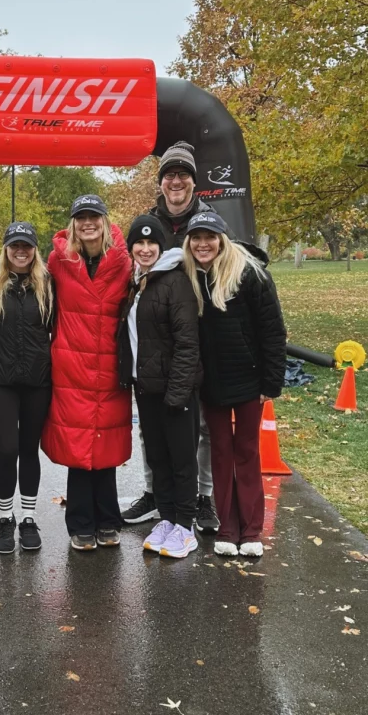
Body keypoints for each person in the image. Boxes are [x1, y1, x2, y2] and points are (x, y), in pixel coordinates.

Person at [121, 141, 219, 534]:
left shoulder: (210, 220)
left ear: (193, 181)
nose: (175, 181)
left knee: (201, 427)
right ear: (161, 182)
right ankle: (155, 495)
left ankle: (202, 498)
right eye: (169, 175)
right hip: (160, 342)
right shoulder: (151, 223)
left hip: (206, 331)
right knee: (154, 432)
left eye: (183, 175)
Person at [183, 212, 287, 557]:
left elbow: (273, 331)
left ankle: (252, 529)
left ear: (221, 240)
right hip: (212, 382)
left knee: (247, 450)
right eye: (196, 238)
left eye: (209, 237)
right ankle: (227, 528)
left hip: (249, 378)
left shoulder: (250, 274)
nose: (203, 244)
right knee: (220, 452)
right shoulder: (188, 276)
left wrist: (271, 381)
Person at [42, 194, 132, 551]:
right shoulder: (58, 261)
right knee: (78, 446)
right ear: (73, 224)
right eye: (81, 217)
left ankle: (108, 519)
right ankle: (80, 522)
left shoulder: (124, 262)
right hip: (72, 366)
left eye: (94, 216)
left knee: (105, 443)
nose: (88, 223)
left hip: (110, 365)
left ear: (105, 221)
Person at [118, 215, 202, 558]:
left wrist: (178, 393)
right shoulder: (138, 281)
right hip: (146, 387)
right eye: (139, 243)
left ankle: (186, 526)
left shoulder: (175, 281)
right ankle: (167, 518)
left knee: (181, 459)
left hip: (175, 389)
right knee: (158, 457)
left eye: (151, 242)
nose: (145, 248)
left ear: (162, 246)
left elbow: (187, 342)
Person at [0, 222, 53, 554]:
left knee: (29, 449)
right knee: (8, 449)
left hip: (38, 380)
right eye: (15, 246)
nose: (20, 251)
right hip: (1, 381)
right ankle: (5, 517)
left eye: (26, 246)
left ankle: (28, 517)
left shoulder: (48, 285)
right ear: (6, 249)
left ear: (35, 250)